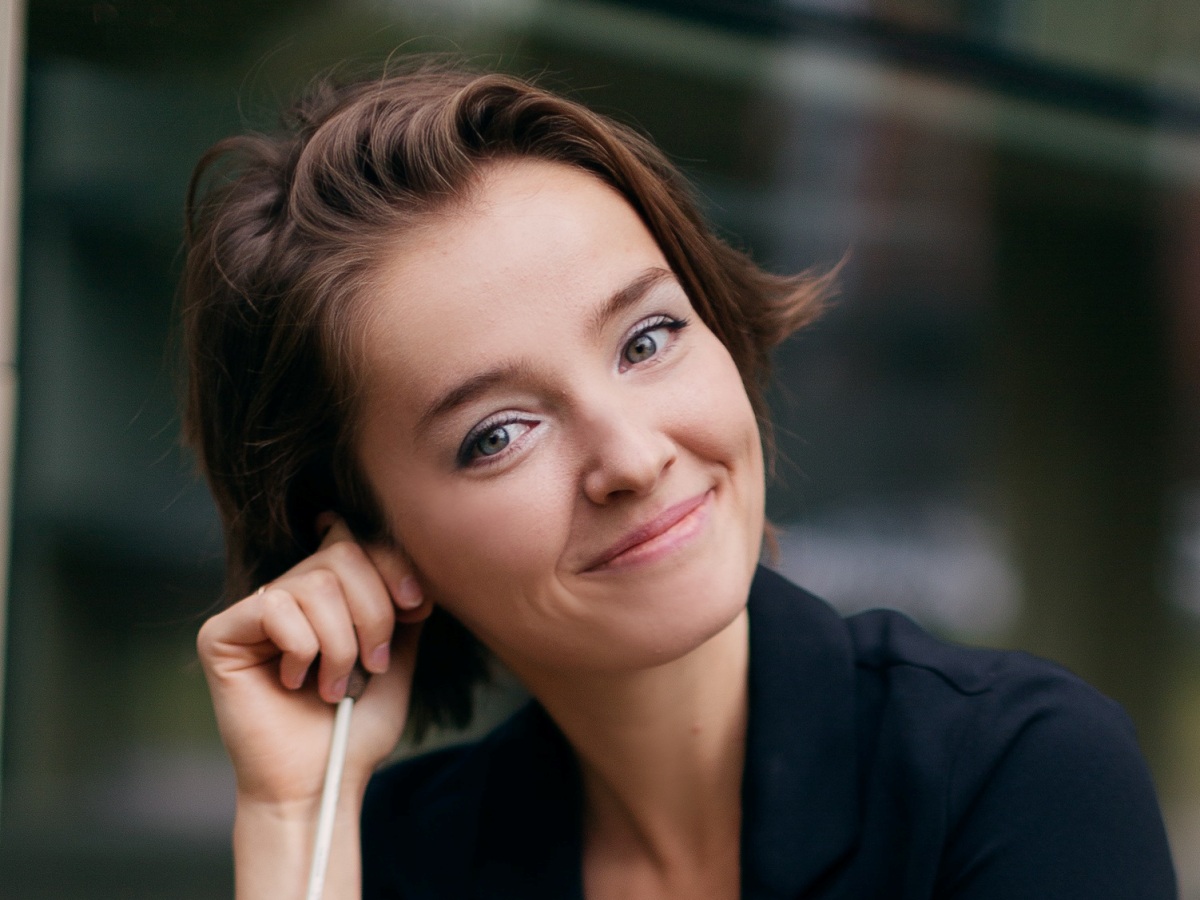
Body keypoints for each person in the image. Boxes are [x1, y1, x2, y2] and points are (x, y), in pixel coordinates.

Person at [186, 62, 1177, 899]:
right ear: (370, 540)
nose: (631, 455)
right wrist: (295, 820)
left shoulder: (1013, 774)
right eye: (499, 433)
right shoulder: (392, 860)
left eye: (648, 337)